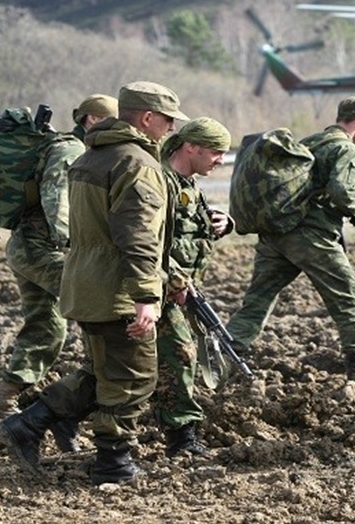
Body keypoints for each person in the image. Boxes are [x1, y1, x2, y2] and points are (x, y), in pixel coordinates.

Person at [0, 81, 187, 484]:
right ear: (148, 117)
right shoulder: (135, 164)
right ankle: (113, 463)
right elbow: (137, 237)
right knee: (134, 377)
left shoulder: (91, 157)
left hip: (85, 283)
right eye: (168, 119)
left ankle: (29, 423)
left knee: (102, 371)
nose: (172, 128)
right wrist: (145, 297)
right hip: (116, 289)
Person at [226, 97, 355, 380]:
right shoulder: (346, 149)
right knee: (348, 297)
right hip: (311, 237)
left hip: (275, 234)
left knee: (258, 300)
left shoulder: (309, 143)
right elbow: (341, 190)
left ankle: (224, 357)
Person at [0, 94, 116, 453]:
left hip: (28, 247)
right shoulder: (68, 150)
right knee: (97, 316)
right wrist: (77, 252)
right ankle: (70, 408)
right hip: (43, 249)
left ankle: (7, 401)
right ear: (93, 120)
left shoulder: (72, 148)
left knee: (47, 326)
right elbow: (56, 203)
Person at [155, 117, 233, 458]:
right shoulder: (162, 183)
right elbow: (148, 241)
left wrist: (222, 223)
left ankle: (49, 416)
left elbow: (185, 230)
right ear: (191, 147)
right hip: (158, 288)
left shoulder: (188, 184)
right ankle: (182, 440)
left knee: (140, 365)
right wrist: (174, 280)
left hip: (180, 288)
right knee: (180, 356)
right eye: (216, 152)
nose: (220, 160)